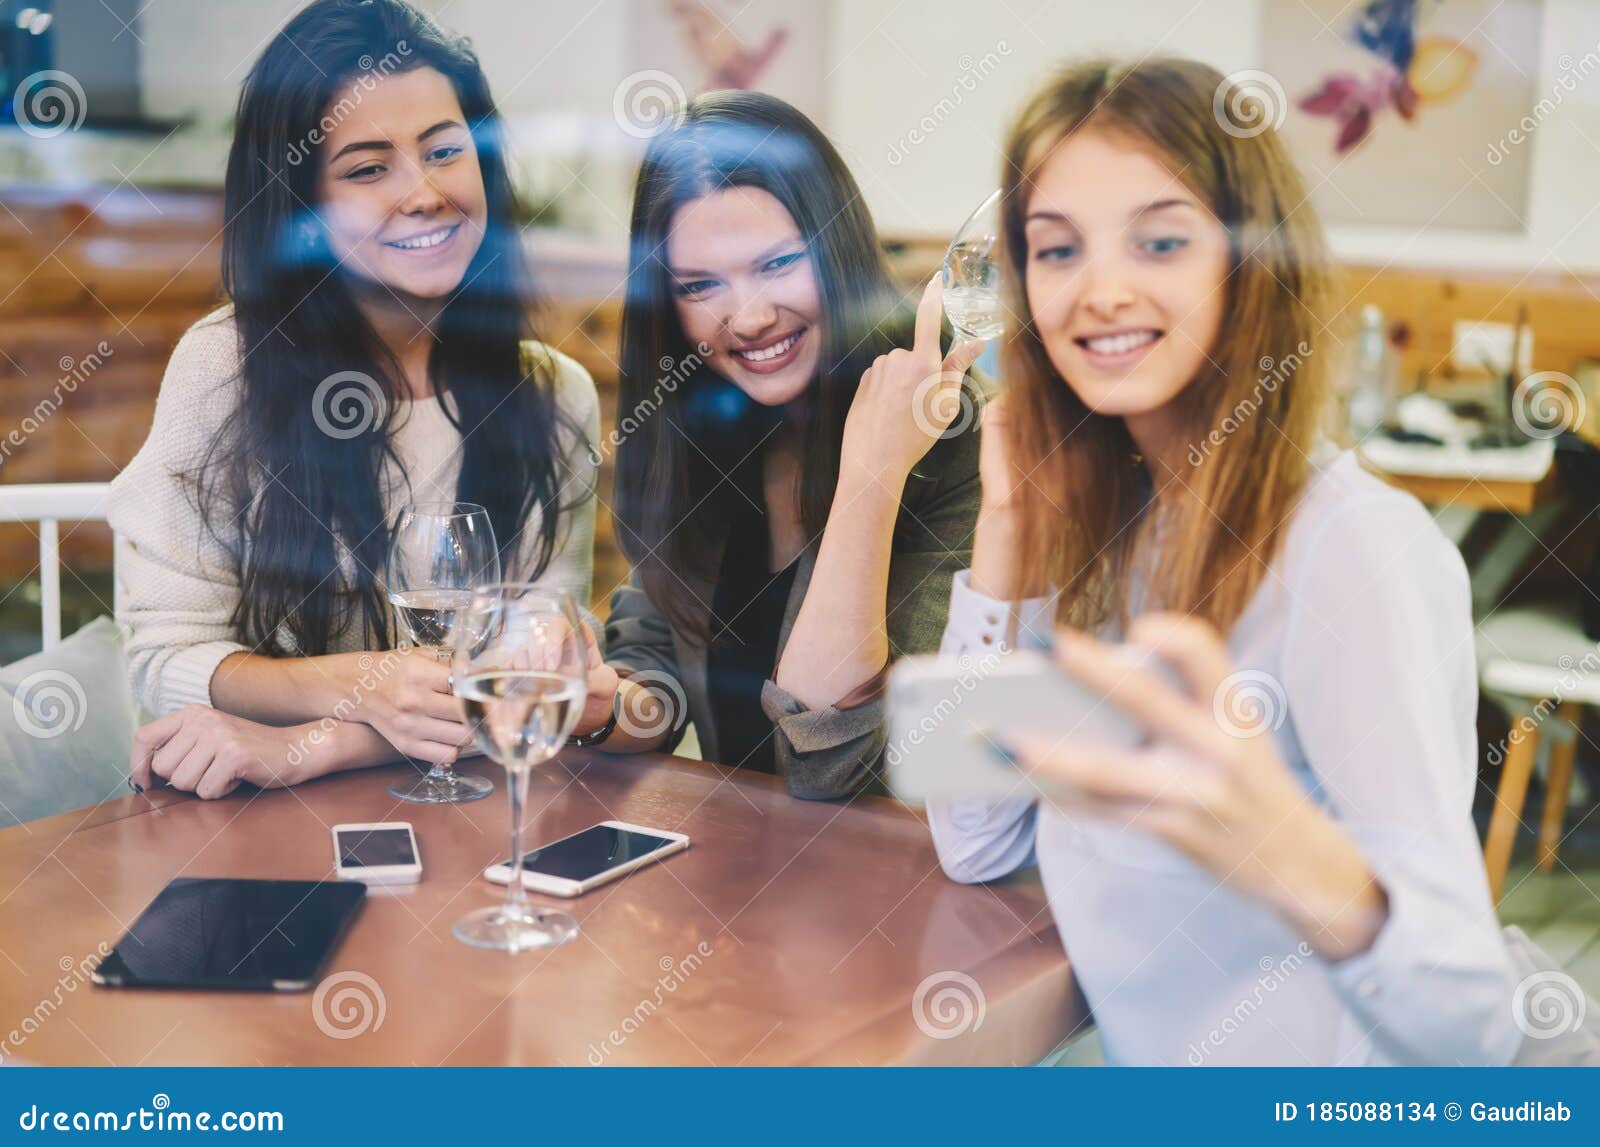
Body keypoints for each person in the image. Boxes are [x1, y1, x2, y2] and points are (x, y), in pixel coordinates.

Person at [928, 58, 1522, 1065]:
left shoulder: (1353, 550)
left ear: (1251, 265)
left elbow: (1475, 1028)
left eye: (1160, 240)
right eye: (1055, 248)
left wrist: (1298, 859)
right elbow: (976, 840)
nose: (1100, 289)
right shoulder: (1109, 525)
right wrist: (1009, 527)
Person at [108, 0, 597, 800]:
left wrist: (317, 744)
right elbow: (167, 658)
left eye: (445, 151)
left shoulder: (555, 395)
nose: (424, 193)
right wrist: (366, 681)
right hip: (252, 830)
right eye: (368, 169)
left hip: (468, 823)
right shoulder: (224, 369)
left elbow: (525, 678)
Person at [567, 91, 987, 800]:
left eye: (776, 264)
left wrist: (871, 476)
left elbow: (837, 770)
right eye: (701, 284)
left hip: (901, 894)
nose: (751, 317)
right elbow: (658, 662)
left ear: (838, 250)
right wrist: (600, 706)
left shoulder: (954, 437)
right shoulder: (708, 421)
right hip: (739, 887)